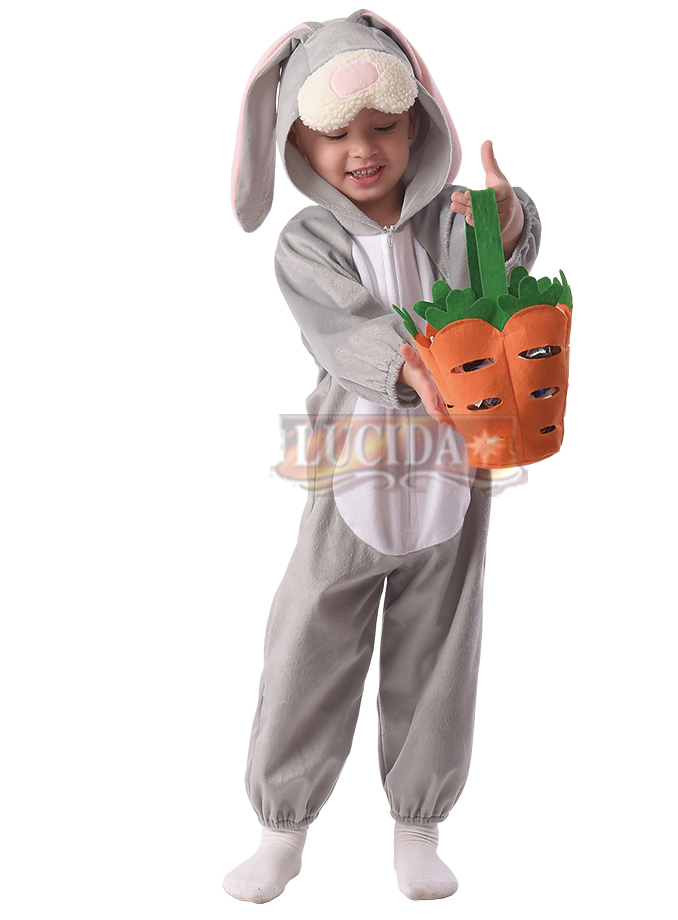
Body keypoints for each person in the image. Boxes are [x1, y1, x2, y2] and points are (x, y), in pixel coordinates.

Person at [224, 10, 541, 903]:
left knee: (440, 642)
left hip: (456, 463)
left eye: (384, 126)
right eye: (335, 134)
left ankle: (418, 826)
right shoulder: (309, 241)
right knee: (311, 634)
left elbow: (496, 281)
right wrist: (407, 363)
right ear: (298, 141)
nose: (362, 150)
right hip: (350, 463)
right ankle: (282, 828)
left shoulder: (448, 219)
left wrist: (507, 221)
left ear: (418, 125)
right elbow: (340, 323)